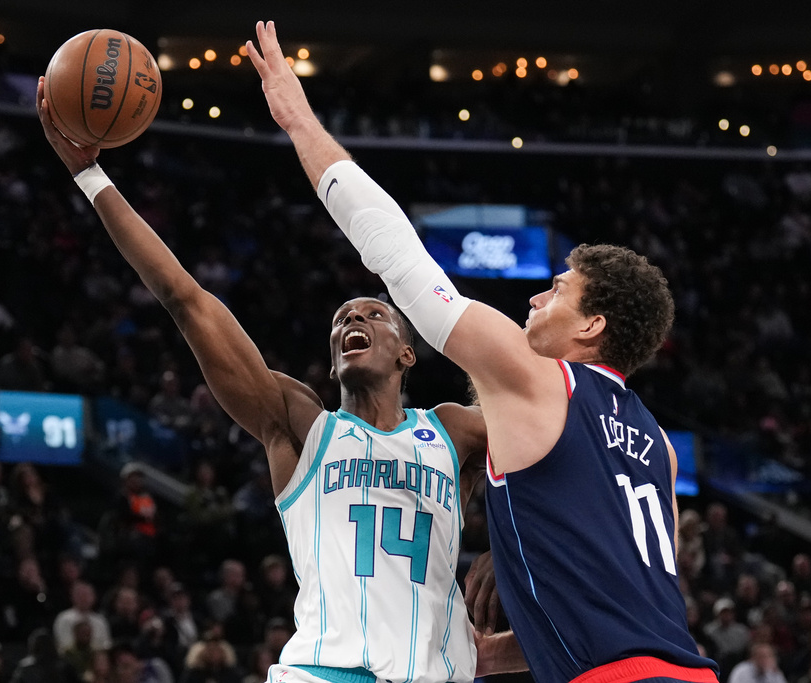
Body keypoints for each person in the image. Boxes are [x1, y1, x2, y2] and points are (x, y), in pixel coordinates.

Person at [248, 19, 719, 683]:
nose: (534, 299)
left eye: (557, 290)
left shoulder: (539, 378)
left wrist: (299, 121)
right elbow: (621, 602)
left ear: (591, 327)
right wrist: (499, 639)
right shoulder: (658, 446)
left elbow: (400, 258)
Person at [36, 76, 488, 683]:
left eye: (374, 313)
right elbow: (186, 300)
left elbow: (550, 442)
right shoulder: (300, 425)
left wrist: (501, 560)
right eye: (342, 319)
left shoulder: (454, 434)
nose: (354, 317)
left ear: (409, 353)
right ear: (332, 363)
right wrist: (91, 177)